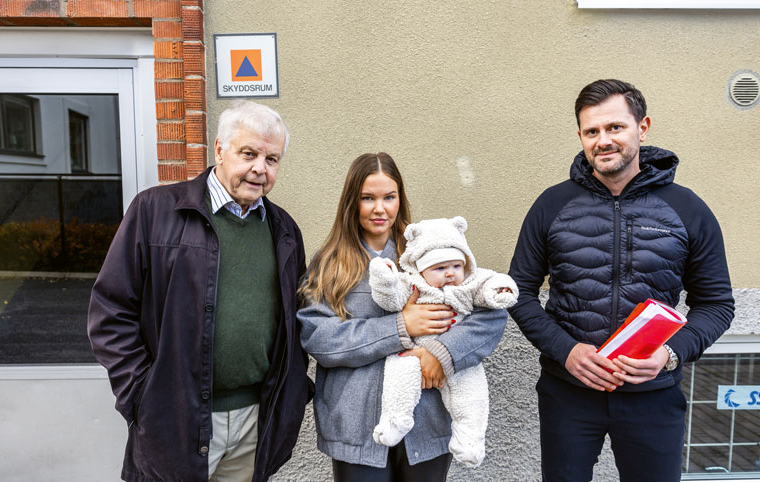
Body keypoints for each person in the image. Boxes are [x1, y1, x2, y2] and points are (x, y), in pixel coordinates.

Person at [508, 79, 735, 482]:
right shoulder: (552, 204)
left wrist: (670, 355)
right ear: (580, 135)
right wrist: (567, 350)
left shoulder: (687, 208)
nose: (603, 140)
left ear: (642, 128)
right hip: (569, 394)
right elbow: (517, 292)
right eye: (591, 131)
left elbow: (717, 304)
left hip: (654, 395)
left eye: (615, 127)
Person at [87, 100, 312, 482]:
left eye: (272, 159)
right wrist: (142, 395)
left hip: (253, 421)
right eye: (249, 153)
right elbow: (110, 311)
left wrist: (292, 394)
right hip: (176, 418)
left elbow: (295, 322)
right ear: (220, 149)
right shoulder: (155, 211)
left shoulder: (284, 229)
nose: (260, 168)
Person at [298, 153, 507, 482]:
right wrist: (400, 327)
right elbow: (320, 338)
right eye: (368, 198)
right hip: (357, 428)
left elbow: (490, 314)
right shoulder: (329, 264)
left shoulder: (430, 251)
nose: (380, 209)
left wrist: (442, 353)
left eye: (389, 197)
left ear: (400, 199)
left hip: (427, 421)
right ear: (352, 202)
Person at [368, 216, 518, 468]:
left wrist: (500, 289)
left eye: (456, 266)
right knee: (398, 371)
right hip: (413, 354)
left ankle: (469, 439)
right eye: (439, 268)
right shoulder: (412, 283)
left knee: (472, 392)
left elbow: (487, 284)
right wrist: (385, 279)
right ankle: (395, 420)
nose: (450, 273)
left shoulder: (468, 283)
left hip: (457, 361)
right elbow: (391, 299)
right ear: (421, 270)